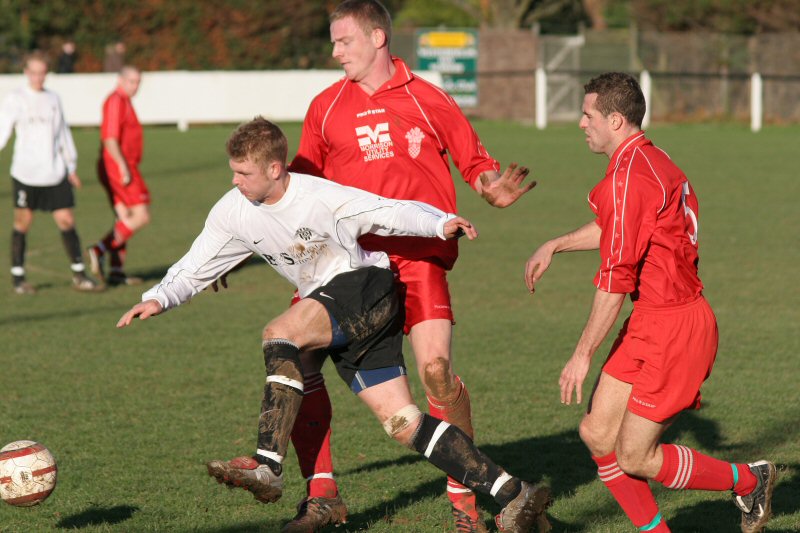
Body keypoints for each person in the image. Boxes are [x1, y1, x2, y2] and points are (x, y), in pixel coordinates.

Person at [116, 117, 553, 533]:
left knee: (279, 333)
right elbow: (199, 262)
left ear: (274, 168)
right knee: (403, 422)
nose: (235, 181)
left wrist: (440, 223)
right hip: (338, 307)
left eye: (243, 172)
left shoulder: (319, 197)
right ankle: (515, 492)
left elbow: (386, 211)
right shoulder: (234, 210)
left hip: (366, 288)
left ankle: (268, 464)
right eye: (233, 171)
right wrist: (157, 297)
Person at [286, 2, 536, 530]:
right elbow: (295, 189)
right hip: (348, 266)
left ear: (378, 37)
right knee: (295, 356)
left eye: (344, 41)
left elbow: (476, 163)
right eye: (332, 42)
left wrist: (493, 191)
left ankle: (463, 499)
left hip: (419, 257)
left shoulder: (429, 98)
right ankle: (323, 496)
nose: (334, 52)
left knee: (436, 374)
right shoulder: (325, 107)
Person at [523, 72, 776, 533]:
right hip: (652, 321)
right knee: (596, 432)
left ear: (615, 120)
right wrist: (555, 244)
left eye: (588, 115)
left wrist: (581, 357)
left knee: (635, 456)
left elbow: (616, 281)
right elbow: (615, 228)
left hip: (676, 328)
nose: (581, 124)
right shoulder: (648, 161)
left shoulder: (630, 177)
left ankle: (749, 480)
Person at [0, 51, 101, 294]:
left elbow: (62, 134)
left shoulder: (53, 99)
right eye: (33, 72)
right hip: (26, 174)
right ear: (26, 72)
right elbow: (2, 130)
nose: (38, 77)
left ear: (46, 73)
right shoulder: (16, 99)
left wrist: (71, 166)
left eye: (42, 72)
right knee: (22, 222)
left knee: (66, 220)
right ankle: (18, 277)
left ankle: (79, 274)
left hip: (54, 173)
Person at [88, 66, 149, 286]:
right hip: (118, 166)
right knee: (141, 215)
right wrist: (123, 166)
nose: (135, 86)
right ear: (120, 80)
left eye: (138, 82)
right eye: (131, 81)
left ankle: (116, 270)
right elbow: (110, 139)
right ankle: (99, 249)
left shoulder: (124, 101)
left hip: (121, 165)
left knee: (124, 218)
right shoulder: (115, 101)